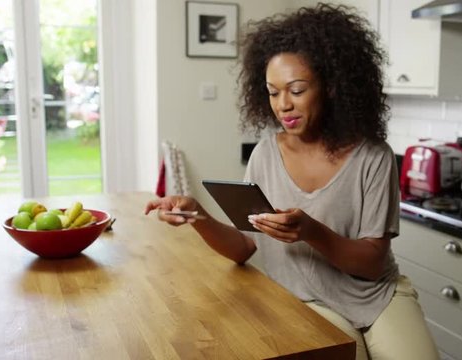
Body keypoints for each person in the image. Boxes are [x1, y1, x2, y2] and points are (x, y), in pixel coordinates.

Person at [145, 4, 438, 359]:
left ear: (331, 86)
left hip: (379, 296)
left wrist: (311, 231)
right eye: (272, 92)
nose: (283, 105)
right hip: (310, 299)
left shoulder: (373, 157)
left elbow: (374, 262)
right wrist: (198, 216)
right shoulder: (265, 156)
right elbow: (244, 248)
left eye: (297, 90)